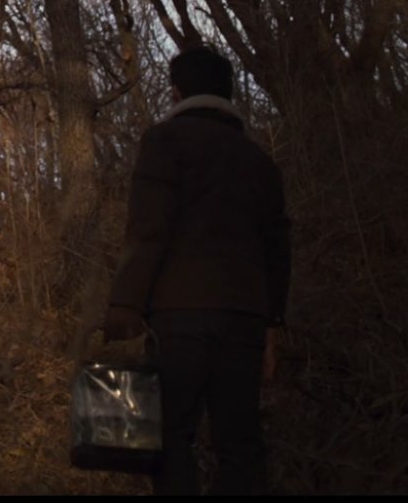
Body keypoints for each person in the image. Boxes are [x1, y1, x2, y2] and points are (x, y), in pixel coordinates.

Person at [104, 47, 291, 495]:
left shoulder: (164, 142)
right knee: (241, 444)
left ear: (176, 92)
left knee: (170, 436)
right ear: (228, 94)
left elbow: (149, 230)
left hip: (181, 313)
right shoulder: (259, 160)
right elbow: (277, 249)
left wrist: (124, 305)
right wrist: (272, 325)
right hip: (246, 316)